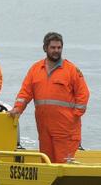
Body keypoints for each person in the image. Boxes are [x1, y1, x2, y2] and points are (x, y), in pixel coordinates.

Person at [9, 32, 90, 163]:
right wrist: (17, 109)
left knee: (64, 164)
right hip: (44, 126)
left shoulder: (71, 70)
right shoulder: (35, 69)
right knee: (47, 163)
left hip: (65, 128)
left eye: (59, 48)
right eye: (53, 47)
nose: (56, 51)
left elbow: (83, 93)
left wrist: (75, 115)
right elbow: (25, 93)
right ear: (45, 48)